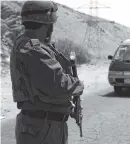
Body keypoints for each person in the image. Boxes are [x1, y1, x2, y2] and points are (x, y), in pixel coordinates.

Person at [10, 1, 84, 144]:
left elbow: (43, 87)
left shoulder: (30, 44)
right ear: (46, 21)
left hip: (44, 125)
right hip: (42, 128)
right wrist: (78, 85)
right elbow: (60, 86)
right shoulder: (33, 49)